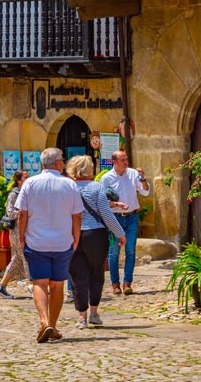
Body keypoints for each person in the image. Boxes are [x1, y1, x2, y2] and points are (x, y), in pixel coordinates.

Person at [16, 147, 83, 344]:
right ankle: (51, 324)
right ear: (57, 163)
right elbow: (77, 215)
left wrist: (21, 237)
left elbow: (22, 214)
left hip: (37, 241)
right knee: (57, 285)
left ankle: (44, 322)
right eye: (63, 160)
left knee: (39, 283)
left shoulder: (30, 183)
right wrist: (76, 238)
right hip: (62, 242)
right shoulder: (69, 185)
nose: (64, 163)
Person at [66, 155, 125, 329]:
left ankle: (81, 317)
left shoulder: (68, 187)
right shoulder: (97, 187)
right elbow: (106, 214)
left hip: (73, 235)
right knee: (96, 273)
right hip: (96, 235)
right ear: (89, 169)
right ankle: (94, 313)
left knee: (77, 275)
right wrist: (120, 233)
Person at [100, 150, 150, 295]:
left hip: (132, 217)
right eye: (122, 160)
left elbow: (145, 192)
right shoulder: (106, 178)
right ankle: (115, 284)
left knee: (130, 250)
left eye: (126, 159)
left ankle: (127, 282)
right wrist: (116, 204)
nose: (126, 162)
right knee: (114, 252)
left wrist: (143, 178)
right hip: (115, 218)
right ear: (114, 162)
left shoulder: (133, 174)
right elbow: (102, 201)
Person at [0, 170, 29, 299]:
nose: (28, 179)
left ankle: (1, 286)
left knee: (16, 259)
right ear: (19, 180)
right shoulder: (14, 194)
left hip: (24, 230)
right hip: (16, 231)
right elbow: (9, 213)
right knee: (26, 257)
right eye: (25, 177)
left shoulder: (25, 193)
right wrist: (21, 212)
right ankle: (33, 285)